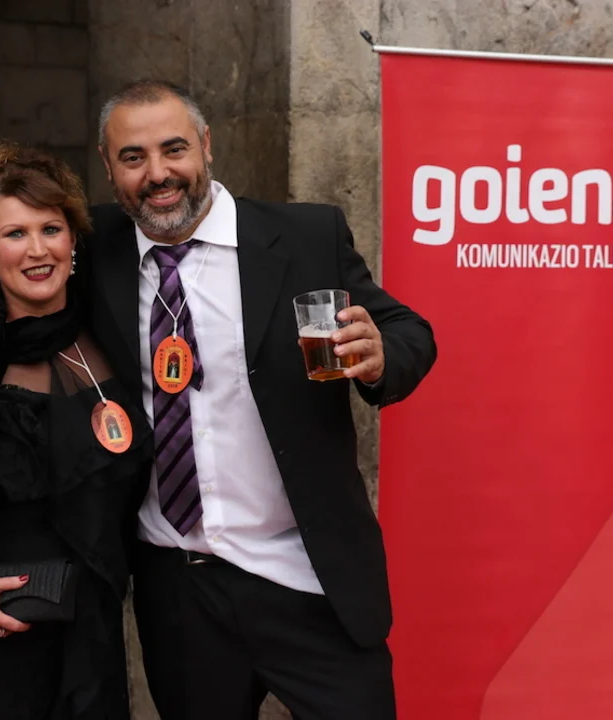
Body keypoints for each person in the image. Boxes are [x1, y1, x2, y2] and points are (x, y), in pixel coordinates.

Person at [86, 81, 438, 720]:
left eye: (174, 149)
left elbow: (410, 331)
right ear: (109, 168)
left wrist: (381, 354)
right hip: (179, 587)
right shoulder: (93, 249)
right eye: (133, 157)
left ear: (207, 146)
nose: (158, 174)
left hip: (306, 575)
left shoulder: (305, 236)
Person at [0, 140, 150, 719]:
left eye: (51, 229)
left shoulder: (108, 342)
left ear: (73, 241)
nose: (37, 250)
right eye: (15, 233)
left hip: (90, 629)